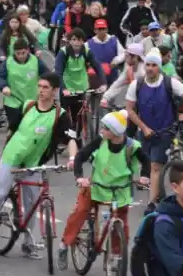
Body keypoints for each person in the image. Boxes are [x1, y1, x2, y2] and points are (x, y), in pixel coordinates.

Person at [0, 73, 78, 259]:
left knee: (32, 204)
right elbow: (12, 128)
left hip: (33, 163)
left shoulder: (60, 115)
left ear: (55, 91)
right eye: (40, 86)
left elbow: (72, 139)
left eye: (45, 87)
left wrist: (73, 159)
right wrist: (6, 149)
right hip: (12, 157)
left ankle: (28, 244)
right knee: (0, 193)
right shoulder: (27, 105)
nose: (41, 91)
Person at [59, 110, 150, 269]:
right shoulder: (100, 141)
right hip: (96, 186)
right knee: (80, 211)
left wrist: (144, 176)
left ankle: (117, 253)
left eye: (106, 128)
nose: (102, 131)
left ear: (115, 132)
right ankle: (64, 244)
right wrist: (80, 177)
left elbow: (146, 161)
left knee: (122, 222)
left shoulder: (132, 146)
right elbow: (81, 156)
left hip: (120, 190)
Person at [125, 48, 183, 206]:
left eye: (154, 65)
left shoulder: (169, 82)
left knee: (156, 167)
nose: (150, 68)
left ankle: (151, 205)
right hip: (145, 132)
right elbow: (130, 109)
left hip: (165, 131)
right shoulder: (136, 85)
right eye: (148, 65)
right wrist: (143, 128)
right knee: (148, 167)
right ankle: (160, 196)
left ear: (159, 67)